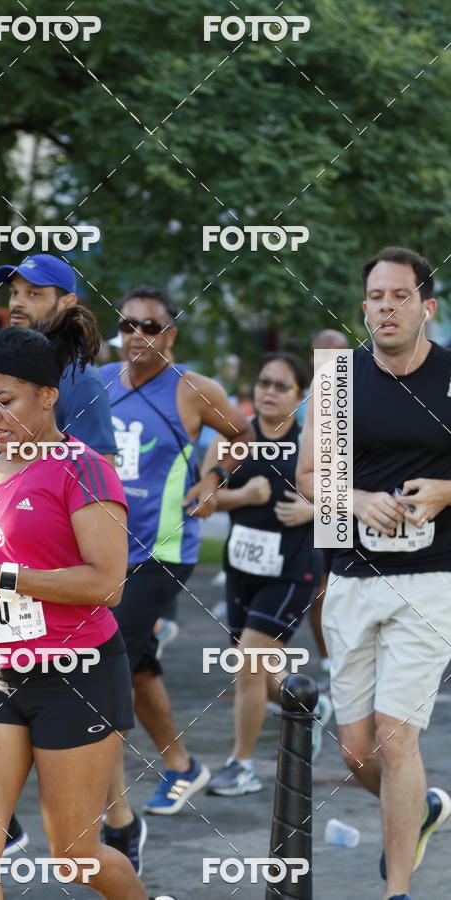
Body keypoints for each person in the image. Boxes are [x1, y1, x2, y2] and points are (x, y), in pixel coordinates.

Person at [0, 309, 177, 900]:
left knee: (75, 858)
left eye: (5, 401)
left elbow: (107, 584)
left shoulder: (84, 469)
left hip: (76, 675)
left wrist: (1, 577)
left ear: (48, 396)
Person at [0, 253, 117, 871]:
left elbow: (104, 560)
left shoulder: (82, 388)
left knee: (75, 856)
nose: (18, 300)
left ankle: (117, 820)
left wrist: (9, 570)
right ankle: (3, 826)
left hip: (72, 647)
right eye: (14, 290)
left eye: (34, 292)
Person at [296, 246, 451, 900]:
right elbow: (308, 477)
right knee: (357, 750)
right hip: (352, 576)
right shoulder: (338, 379)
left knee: (396, 734)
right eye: (376, 298)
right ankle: (420, 810)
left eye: (400, 296)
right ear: (364, 308)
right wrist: (356, 500)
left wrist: (447, 490)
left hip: (431, 578)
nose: (386, 308)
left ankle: (398, 891)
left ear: (427, 306)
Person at [98, 286, 255, 863]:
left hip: (162, 550)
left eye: (150, 326)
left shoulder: (193, 389)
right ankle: (182, 765)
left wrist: (212, 479)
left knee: (103, 661)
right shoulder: (98, 382)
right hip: (103, 549)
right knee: (137, 669)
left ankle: (108, 805)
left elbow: (241, 436)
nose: (137, 335)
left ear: (171, 334)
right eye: (128, 325)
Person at [202, 353, 329, 796]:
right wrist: (243, 497)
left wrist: (311, 511)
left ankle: (241, 766)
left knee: (248, 665)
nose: (269, 392)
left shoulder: (311, 442)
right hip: (242, 570)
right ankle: (308, 708)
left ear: (300, 396)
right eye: (263, 382)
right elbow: (201, 503)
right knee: (255, 672)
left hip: (293, 571)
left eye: (280, 385)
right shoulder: (234, 438)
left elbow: (347, 503)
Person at [306, 329, 350, 690]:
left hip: (352, 507)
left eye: (340, 355)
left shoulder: (360, 394)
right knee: (318, 591)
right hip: (315, 510)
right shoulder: (303, 401)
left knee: (352, 587)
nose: (333, 361)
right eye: (325, 354)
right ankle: (328, 661)